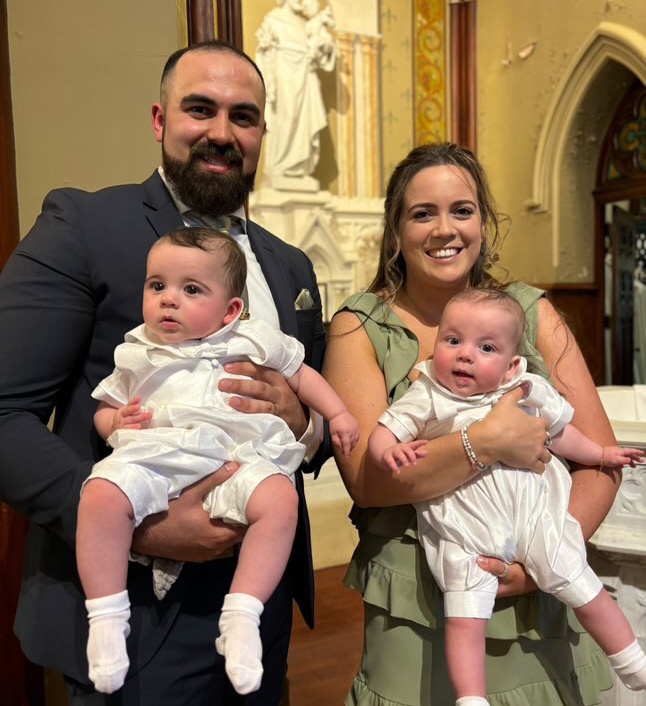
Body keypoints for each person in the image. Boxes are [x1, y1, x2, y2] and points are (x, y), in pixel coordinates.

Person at [0, 40, 328, 705]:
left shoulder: (290, 265)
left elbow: (309, 411)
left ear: (263, 131)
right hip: (134, 605)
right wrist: (144, 526)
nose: (221, 132)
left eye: (244, 116)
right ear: (159, 120)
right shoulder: (84, 225)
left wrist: (307, 420)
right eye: (200, 109)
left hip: (257, 602)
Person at [322, 142, 623, 705]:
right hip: (418, 597)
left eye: (462, 210)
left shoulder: (533, 314)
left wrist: (545, 559)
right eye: (422, 213)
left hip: (536, 598)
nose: (444, 229)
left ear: (484, 222)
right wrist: (485, 442)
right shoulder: (357, 328)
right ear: (395, 231)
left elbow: (600, 461)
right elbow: (368, 479)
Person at [78, 227, 359, 695]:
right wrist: (115, 423)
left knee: (279, 500)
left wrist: (338, 413)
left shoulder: (253, 339)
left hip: (236, 457)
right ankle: (107, 617)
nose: (169, 300)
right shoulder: (138, 349)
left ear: (230, 310)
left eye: (191, 290)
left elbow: (302, 373)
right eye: (157, 285)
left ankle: (243, 613)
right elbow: (106, 408)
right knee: (100, 494)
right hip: (157, 459)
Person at [368, 288, 645, 706]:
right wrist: (388, 449)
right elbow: (385, 430)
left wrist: (601, 453)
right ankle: (471, 698)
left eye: (486, 347)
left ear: (512, 364)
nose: (464, 355)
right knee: (464, 616)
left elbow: (563, 434)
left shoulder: (527, 388)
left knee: (581, 582)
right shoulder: (428, 394)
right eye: (453, 340)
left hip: (535, 519)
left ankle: (630, 660)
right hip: (465, 531)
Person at [255, 0, 335, 183]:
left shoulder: (306, 25)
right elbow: (265, 54)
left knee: (304, 121)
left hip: (306, 76)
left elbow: (321, 56)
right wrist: (269, 85)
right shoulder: (273, 20)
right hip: (285, 76)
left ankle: (299, 167)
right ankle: (280, 167)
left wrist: (325, 48)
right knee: (286, 117)